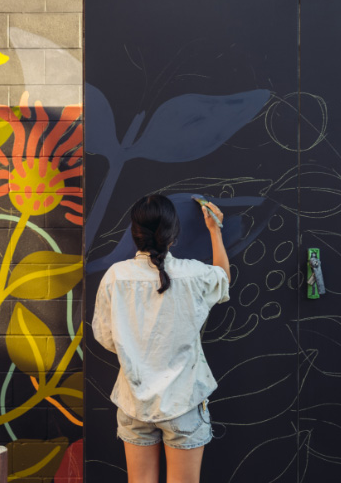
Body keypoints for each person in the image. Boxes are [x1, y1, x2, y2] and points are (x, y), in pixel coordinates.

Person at [92, 194, 230, 483]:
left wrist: (136, 350)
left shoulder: (116, 277)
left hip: (134, 402)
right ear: (172, 233)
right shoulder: (194, 274)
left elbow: (105, 336)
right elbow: (223, 279)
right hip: (183, 402)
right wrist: (215, 230)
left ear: (134, 232)